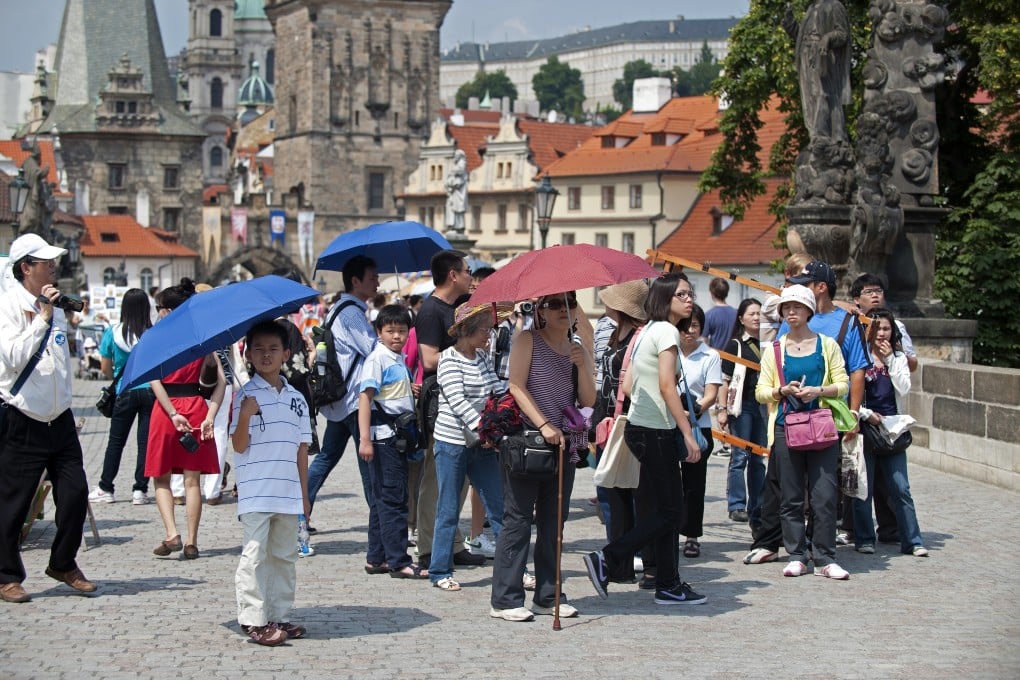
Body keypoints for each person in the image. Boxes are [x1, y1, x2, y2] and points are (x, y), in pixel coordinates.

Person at [583, 273, 708, 606]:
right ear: (664, 299)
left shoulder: (647, 331)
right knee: (670, 511)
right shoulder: (665, 331)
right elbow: (668, 386)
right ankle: (608, 559)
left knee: (662, 508)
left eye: (690, 293)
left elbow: (627, 386)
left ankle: (667, 582)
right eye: (681, 294)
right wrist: (686, 433)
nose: (689, 299)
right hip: (657, 431)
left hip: (641, 428)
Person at [0, 234, 96, 603]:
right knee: (14, 502)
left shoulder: (55, 306)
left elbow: (59, 364)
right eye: (46, 263)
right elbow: (12, 358)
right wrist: (40, 319)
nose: (54, 267)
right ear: (26, 267)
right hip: (22, 417)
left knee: (75, 494)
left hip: (60, 420)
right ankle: (7, 575)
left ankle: (63, 562)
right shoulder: (9, 306)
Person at [492, 290, 595, 621]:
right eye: (554, 304)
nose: (563, 310)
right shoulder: (527, 339)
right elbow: (516, 386)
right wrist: (545, 424)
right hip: (528, 440)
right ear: (541, 311)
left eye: (570, 303)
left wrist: (586, 364)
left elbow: (588, 398)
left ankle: (549, 594)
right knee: (518, 520)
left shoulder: (575, 347)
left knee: (555, 523)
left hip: (565, 445)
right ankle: (506, 599)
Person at [756, 285, 851, 580]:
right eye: (786, 308)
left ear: (809, 310)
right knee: (791, 495)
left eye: (797, 307)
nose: (791, 312)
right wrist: (780, 390)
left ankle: (825, 556)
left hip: (821, 425)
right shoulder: (775, 349)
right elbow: (760, 391)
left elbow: (844, 383)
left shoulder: (827, 345)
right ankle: (797, 553)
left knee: (824, 494)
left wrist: (818, 390)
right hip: (787, 426)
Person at [230, 320, 312, 646]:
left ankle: (279, 614)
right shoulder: (244, 396)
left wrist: (305, 495)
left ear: (286, 354)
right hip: (256, 492)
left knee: (284, 557)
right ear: (248, 354)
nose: (266, 355)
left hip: (288, 492)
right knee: (254, 556)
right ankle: (253, 619)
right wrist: (246, 415)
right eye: (259, 349)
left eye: (273, 349)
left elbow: (302, 450)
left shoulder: (297, 399)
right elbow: (237, 445)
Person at [430, 302, 512, 591]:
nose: (488, 337)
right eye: (483, 331)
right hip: (452, 442)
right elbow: (457, 401)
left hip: (482, 443)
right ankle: (440, 570)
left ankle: (513, 568)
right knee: (449, 508)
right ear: (466, 331)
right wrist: (485, 427)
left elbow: (497, 389)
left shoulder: (482, 357)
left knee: (499, 507)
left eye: (489, 330)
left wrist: (514, 404)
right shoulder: (448, 359)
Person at [146, 278, 227, 560]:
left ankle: (172, 533)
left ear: (167, 311)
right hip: (195, 407)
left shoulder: (158, 337)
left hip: (167, 411)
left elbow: (154, 380)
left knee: (161, 480)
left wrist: (171, 412)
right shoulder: (202, 339)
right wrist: (211, 415)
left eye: (159, 307)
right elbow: (221, 382)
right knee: (193, 482)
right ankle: (192, 542)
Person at [413, 250, 484, 571]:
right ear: (452, 275)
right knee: (437, 478)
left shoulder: (459, 307)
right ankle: (429, 546)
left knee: (462, 478)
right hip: (440, 402)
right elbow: (428, 360)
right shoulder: (431, 310)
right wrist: (463, 354)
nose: (471, 276)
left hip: (465, 399)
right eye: (467, 271)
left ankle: (453, 543)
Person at [306, 256, 379, 523]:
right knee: (369, 464)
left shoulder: (339, 308)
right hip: (354, 401)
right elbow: (372, 351)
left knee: (326, 459)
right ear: (355, 281)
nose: (378, 283)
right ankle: (380, 523)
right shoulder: (352, 313)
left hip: (339, 400)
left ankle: (301, 512)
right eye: (372, 278)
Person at [852, 308, 929, 557]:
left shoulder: (897, 357)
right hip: (865, 427)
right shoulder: (858, 355)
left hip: (892, 429)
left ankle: (912, 540)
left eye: (886, 328)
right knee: (864, 487)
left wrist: (891, 361)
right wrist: (865, 414)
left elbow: (904, 388)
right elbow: (850, 394)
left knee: (900, 487)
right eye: (877, 328)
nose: (881, 333)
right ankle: (864, 538)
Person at [356, 305, 426, 579]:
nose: (396, 336)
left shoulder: (397, 358)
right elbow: (365, 397)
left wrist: (409, 389)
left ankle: (377, 558)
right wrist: (365, 439)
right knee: (395, 500)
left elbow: (389, 392)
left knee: (382, 500)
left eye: (401, 331)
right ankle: (399, 561)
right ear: (379, 332)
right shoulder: (378, 358)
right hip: (384, 439)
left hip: (396, 437)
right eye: (390, 331)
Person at [592, 280, 647, 571]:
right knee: (612, 490)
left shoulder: (638, 337)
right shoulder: (614, 333)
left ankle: (629, 553)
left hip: (630, 423)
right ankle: (620, 557)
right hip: (610, 422)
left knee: (630, 491)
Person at [87, 289, 155, 505]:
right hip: (150, 391)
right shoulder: (152, 333)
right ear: (146, 308)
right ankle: (140, 490)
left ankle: (106, 487)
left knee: (116, 442)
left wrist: (116, 377)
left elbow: (105, 367)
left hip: (124, 390)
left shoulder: (113, 332)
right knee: (145, 442)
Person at [717, 298, 768, 531]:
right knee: (740, 456)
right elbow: (724, 381)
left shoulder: (769, 343)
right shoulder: (735, 345)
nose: (756, 318)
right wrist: (722, 410)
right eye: (752, 314)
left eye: (759, 313)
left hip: (763, 405)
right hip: (742, 405)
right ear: (741, 318)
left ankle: (756, 504)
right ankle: (737, 504)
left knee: (759, 457)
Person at [677, 304, 722, 559]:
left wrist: (692, 411)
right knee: (671, 483)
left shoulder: (710, 356)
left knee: (694, 484)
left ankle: (692, 535)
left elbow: (711, 394)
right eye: (685, 325)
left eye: (694, 325)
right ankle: (669, 529)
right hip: (670, 425)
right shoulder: (668, 352)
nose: (689, 331)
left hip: (698, 426)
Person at [703, 277, 738, 351]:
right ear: (727, 293)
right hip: (734, 357)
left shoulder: (708, 315)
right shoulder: (737, 313)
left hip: (717, 358)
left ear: (712, 293)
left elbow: (703, 341)